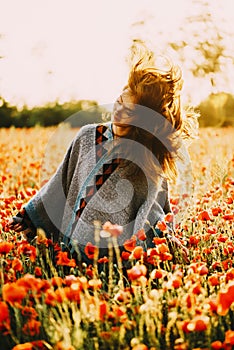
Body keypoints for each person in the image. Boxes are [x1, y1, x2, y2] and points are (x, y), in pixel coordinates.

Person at [8, 45, 198, 265]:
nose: (118, 111)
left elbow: (151, 209)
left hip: (111, 260)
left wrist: (165, 239)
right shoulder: (89, 136)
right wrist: (30, 216)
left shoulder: (146, 158)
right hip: (70, 249)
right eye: (119, 102)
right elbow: (62, 181)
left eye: (129, 111)